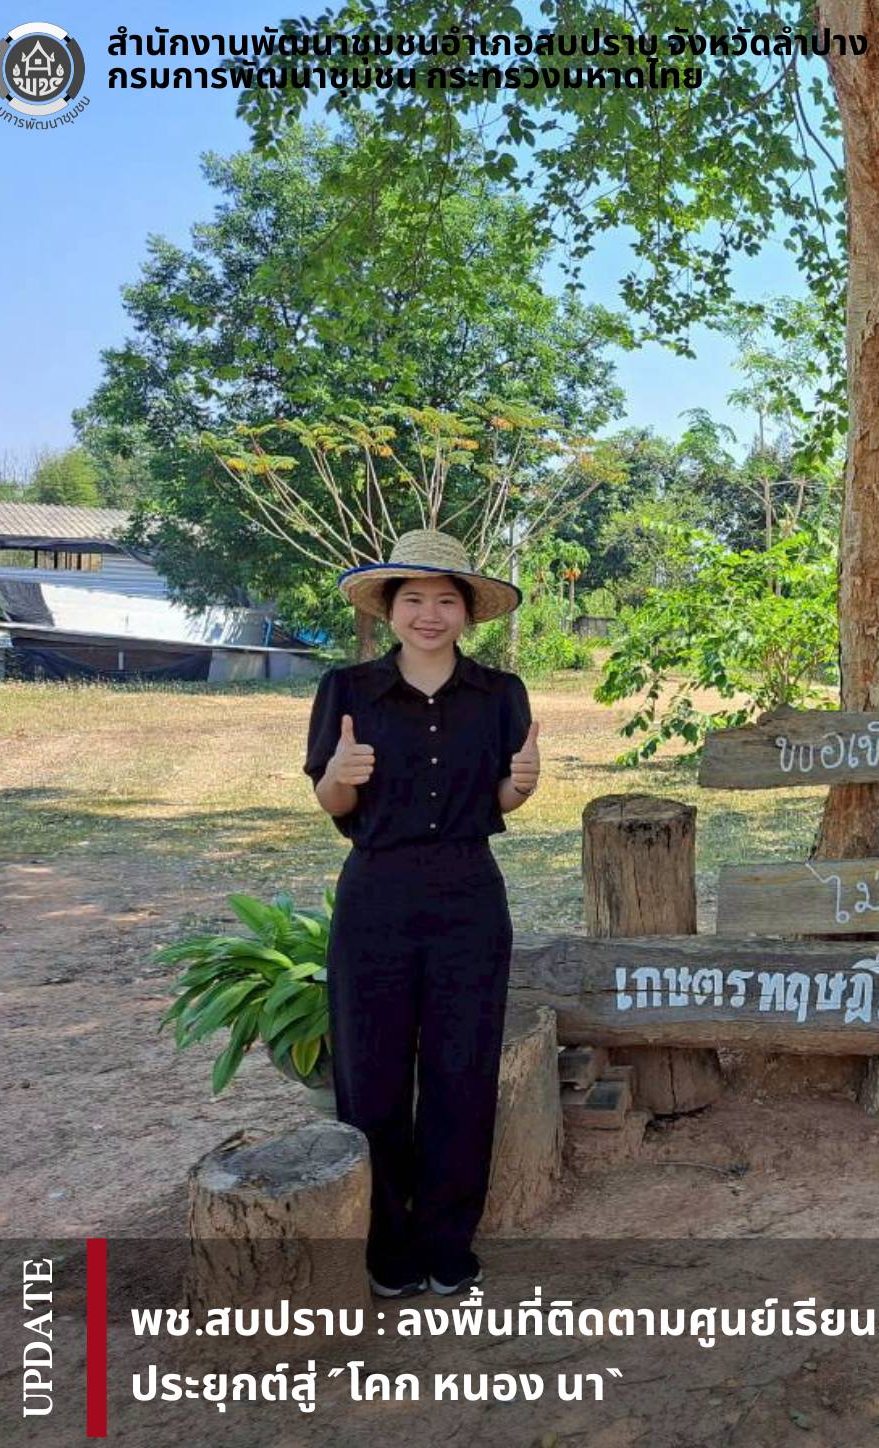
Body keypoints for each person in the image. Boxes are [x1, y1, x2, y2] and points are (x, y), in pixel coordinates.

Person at [302, 529, 541, 1299]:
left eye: (446, 600)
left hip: (470, 893)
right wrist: (337, 774)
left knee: (461, 1068)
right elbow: (331, 802)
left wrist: (523, 787)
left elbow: (503, 799)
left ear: (467, 613)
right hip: (377, 892)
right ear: (390, 609)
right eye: (414, 599)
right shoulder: (346, 691)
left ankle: (448, 1240)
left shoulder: (501, 695)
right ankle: (387, 1242)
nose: (429, 614)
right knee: (370, 1074)